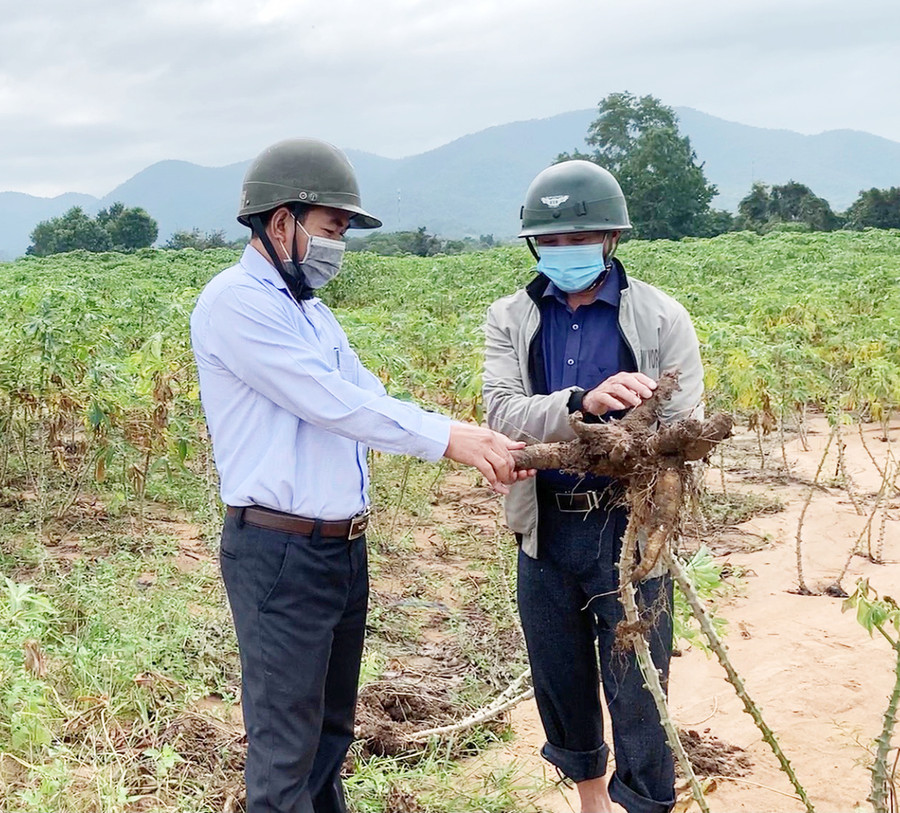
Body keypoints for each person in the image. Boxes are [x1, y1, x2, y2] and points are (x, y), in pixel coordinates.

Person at [190, 138, 530, 813]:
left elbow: (369, 395)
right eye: (331, 230)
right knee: (286, 747)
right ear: (280, 223)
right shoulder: (235, 304)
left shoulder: (312, 315)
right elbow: (331, 402)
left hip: (338, 550)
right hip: (280, 553)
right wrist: (451, 440)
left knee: (328, 735)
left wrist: (474, 434)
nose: (337, 247)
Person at [482, 160, 703, 813]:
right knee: (561, 677)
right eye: (549, 240)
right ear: (533, 244)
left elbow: (684, 426)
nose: (562, 251)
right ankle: (592, 802)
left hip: (628, 526)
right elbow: (501, 411)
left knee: (639, 686)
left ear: (610, 237)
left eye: (576, 239)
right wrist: (583, 402)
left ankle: (645, 804)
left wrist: (636, 433)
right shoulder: (511, 317)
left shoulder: (661, 317)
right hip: (545, 523)